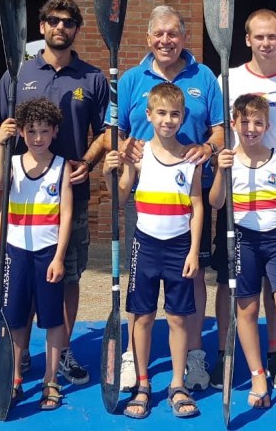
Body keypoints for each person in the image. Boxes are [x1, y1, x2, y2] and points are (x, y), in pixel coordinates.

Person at [0, 0, 108, 384]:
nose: (60, 27)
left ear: (76, 30)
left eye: (68, 22)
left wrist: (86, 163)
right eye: (53, 21)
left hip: (71, 196)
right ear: (42, 27)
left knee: (67, 276)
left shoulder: (92, 78)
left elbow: (107, 133)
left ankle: (64, 349)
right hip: (22, 198)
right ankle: (19, 353)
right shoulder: (17, 74)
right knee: (21, 280)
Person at [106, 5, 224, 393]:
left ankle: (194, 354)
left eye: (173, 33)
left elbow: (220, 131)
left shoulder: (204, 77)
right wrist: (121, 152)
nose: (165, 40)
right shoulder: (130, 80)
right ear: (148, 38)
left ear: (184, 37)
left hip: (189, 193)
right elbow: (115, 133)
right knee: (139, 285)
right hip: (144, 192)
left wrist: (208, 148)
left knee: (193, 276)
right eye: (158, 34)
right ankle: (131, 357)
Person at [209, 9, 276, 390]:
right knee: (234, 289)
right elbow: (218, 129)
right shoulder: (229, 78)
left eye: (272, 36)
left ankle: (275, 355)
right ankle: (228, 356)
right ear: (247, 40)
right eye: (259, 36)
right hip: (237, 198)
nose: (266, 43)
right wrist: (219, 161)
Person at [103, 83, 202, 419]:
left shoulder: (191, 158)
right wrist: (107, 172)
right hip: (145, 246)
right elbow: (120, 194)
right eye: (161, 113)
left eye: (174, 114)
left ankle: (178, 384)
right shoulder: (139, 155)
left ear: (183, 117)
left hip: (179, 248)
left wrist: (193, 251)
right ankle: (143, 384)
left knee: (177, 318)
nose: (167, 120)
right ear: (148, 115)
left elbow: (198, 206)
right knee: (142, 317)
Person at [209, 94, 276, 410]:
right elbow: (216, 202)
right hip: (243, 240)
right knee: (246, 310)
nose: (251, 128)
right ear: (234, 123)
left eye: (258, 123)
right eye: (245, 122)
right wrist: (220, 171)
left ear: (267, 126)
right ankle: (257, 375)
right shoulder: (228, 160)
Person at [0, 97, 72, 411]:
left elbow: (66, 215)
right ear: (22, 132)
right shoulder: (12, 163)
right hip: (16, 251)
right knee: (14, 318)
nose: (38, 138)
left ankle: (51, 380)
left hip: (48, 252)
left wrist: (59, 257)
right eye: (32, 131)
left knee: (53, 319)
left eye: (44, 131)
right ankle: (13, 377)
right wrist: (0, 143)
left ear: (54, 132)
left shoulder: (62, 166)